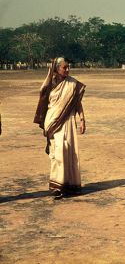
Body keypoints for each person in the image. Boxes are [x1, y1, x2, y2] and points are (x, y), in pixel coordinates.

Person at [34, 57, 86, 199]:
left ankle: (70, 184)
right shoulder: (49, 84)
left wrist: (82, 119)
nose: (68, 69)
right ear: (56, 68)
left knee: (70, 153)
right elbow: (43, 103)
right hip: (53, 123)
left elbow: (77, 104)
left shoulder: (73, 84)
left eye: (68, 67)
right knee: (58, 153)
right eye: (65, 67)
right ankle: (57, 186)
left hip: (69, 122)